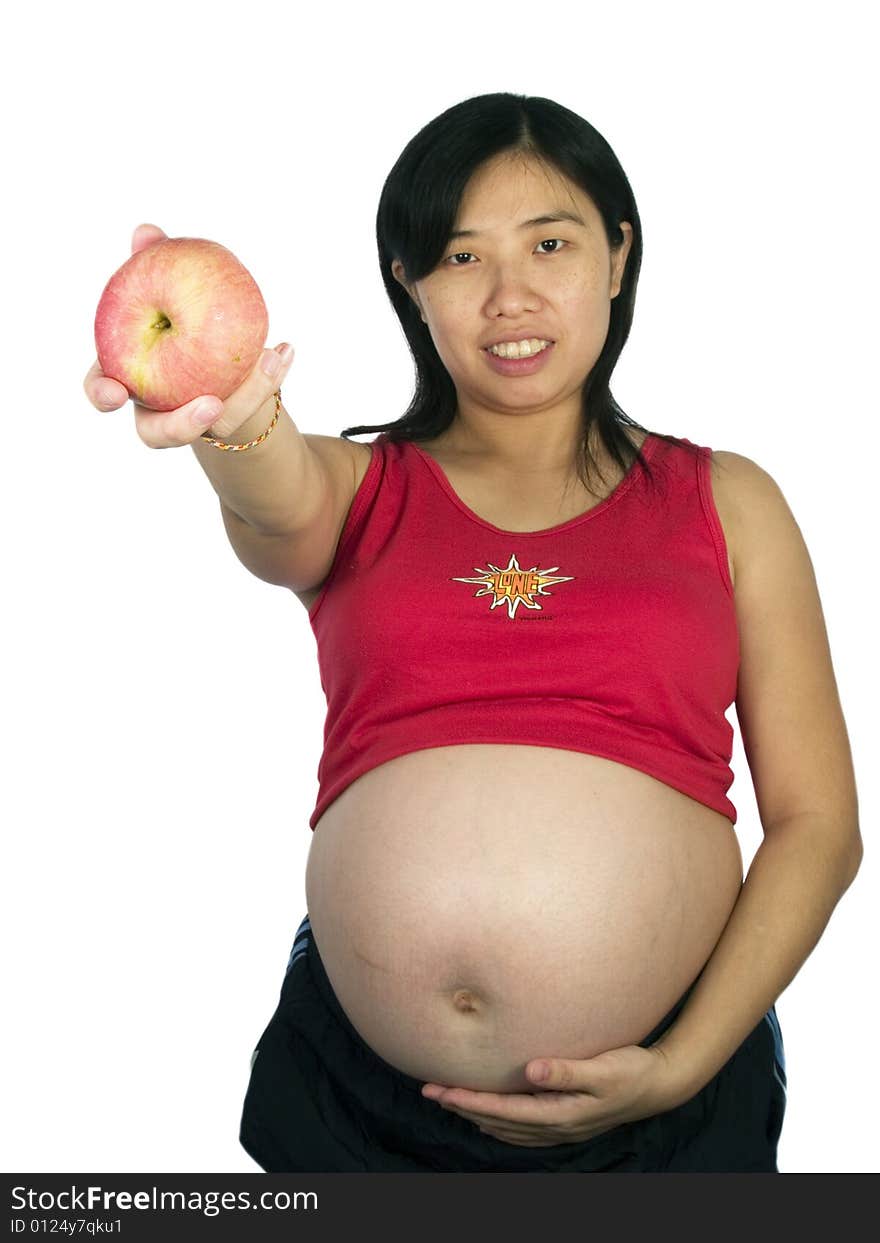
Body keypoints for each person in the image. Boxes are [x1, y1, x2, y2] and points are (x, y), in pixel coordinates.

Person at [84, 92, 862, 1173]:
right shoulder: (360, 492)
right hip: (354, 1108)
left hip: (665, 1106)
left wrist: (681, 1063)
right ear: (408, 285)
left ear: (617, 256)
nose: (509, 295)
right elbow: (276, 496)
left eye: (550, 242)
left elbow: (819, 823)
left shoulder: (729, 502)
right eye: (458, 257)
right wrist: (226, 408)